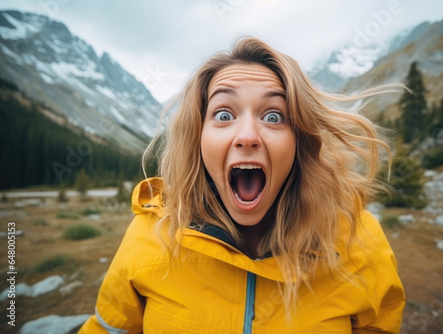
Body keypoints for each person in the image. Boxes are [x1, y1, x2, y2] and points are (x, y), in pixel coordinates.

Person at [78, 37, 405, 334]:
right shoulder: (149, 235)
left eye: (274, 116)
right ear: (198, 138)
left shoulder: (358, 240)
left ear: (300, 140)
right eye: (223, 114)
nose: (247, 136)